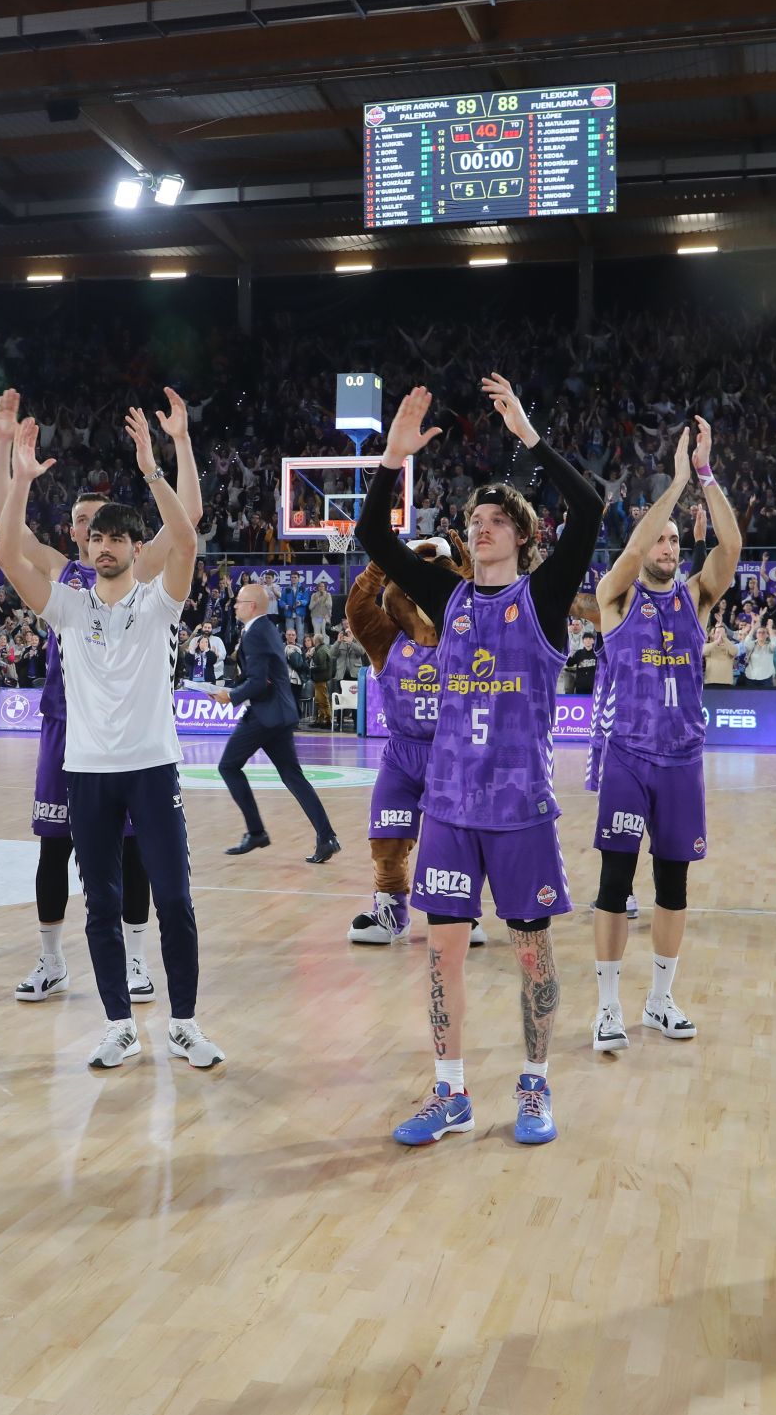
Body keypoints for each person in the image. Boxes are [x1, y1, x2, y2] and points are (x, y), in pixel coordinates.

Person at [355, 376, 603, 1149]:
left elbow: (591, 509)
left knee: (532, 951)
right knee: (444, 953)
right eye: (474, 518)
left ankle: (534, 1084)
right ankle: (451, 1090)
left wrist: (530, 436)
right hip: (452, 810)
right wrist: (393, 460)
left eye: (497, 519)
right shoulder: (449, 594)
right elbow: (375, 542)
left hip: (521, 809)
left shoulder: (546, 595)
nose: (482, 527)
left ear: (524, 535)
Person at [0, 407, 223, 1070]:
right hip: (88, 775)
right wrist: (21, 478)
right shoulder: (68, 605)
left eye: (119, 538)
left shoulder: (159, 605)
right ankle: (119, 1024)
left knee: (175, 901)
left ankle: (183, 1023)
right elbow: (9, 555)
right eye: (97, 537)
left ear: (133, 548)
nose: (105, 545)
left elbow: (184, 539)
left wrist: (155, 464)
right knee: (100, 905)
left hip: (153, 770)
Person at [587, 418, 740, 1054]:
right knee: (615, 886)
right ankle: (605, 1008)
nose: (670, 546)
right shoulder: (614, 599)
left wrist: (704, 475)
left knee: (673, 888)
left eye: (677, 540)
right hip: (628, 757)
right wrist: (675, 481)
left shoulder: (696, 598)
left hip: (682, 762)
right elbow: (630, 552)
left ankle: (659, 999)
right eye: (662, 539)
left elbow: (729, 548)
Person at [343, 537, 486, 949]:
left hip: (453, 754)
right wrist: (378, 565)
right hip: (402, 754)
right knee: (386, 838)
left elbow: (491, 616)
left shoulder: (464, 632)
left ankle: (460, 911)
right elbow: (356, 609)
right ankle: (391, 911)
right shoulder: (388, 638)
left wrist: (473, 579)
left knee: (458, 839)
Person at [213, 582, 340, 862]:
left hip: (265, 716)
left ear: (253, 606)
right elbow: (261, 675)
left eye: (240, 602)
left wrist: (230, 696)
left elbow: (259, 683)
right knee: (293, 776)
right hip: (281, 714)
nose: (235, 606)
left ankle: (256, 831)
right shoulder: (266, 629)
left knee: (228, 766)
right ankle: (327, 836)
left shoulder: (256, 632)